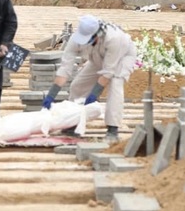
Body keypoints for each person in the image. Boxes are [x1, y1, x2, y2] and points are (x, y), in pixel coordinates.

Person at [42, 15, 137, 143]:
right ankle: (72, 123)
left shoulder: (114, 38)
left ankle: (112, 129)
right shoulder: (75, 39)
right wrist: (51, 95)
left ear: (97, 35)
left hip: (122, 57)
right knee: (77, 85)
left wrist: (93, 95)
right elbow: (65, 69)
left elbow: (108, 72)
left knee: (115, 85)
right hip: (98, 56)